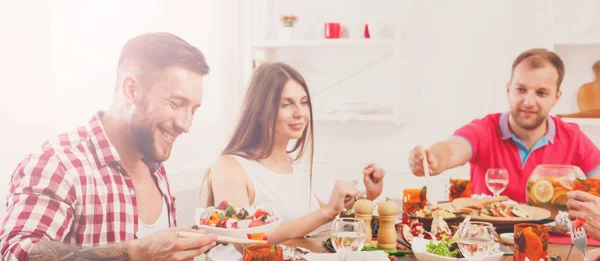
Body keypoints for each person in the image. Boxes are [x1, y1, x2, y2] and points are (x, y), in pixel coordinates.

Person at [0, 32, 218, 261]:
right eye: (176, 104)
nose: (186, 124)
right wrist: (135, 256)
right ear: (131, 89)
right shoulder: (59, 162)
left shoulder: (155, 164)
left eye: (194, 109)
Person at [205, 62, 385, 246]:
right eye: (287, 104)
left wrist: (367, 195)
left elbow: (317, 219)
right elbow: (244, 243)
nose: (300, 113)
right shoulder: (229, 167)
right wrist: (327, 212)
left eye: (304, 102)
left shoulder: (291, 164)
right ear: (259, 111)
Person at [408, 48, 600, 203]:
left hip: (556, 245)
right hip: (487, 245)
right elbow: (451, 150)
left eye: (541, 93)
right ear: (509, 90)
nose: (528, 101)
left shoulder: (573, 138)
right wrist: (432, 160)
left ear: (556, 97)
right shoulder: (484, 130)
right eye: (521, 90)